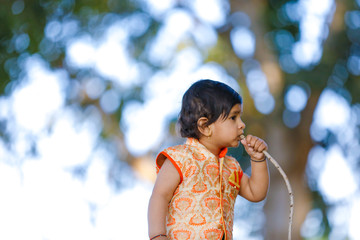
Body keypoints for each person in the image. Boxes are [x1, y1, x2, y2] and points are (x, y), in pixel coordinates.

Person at [148, 79, 269, 240]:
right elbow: (159, 196)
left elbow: (256, 193)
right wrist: (157, 236)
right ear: (205, 127)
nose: (242, 124)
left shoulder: (231, 166)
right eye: (233, 117)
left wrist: (258, 159)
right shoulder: (180, 158)